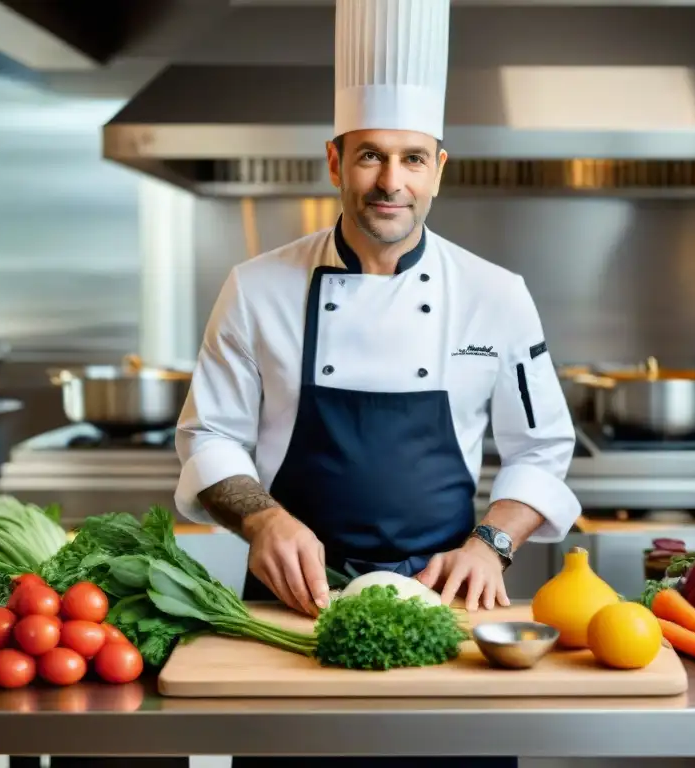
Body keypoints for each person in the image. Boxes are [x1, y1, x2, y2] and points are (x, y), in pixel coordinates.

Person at [174, 1, 581, 765]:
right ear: (335, 162)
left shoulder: (496, 293)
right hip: (293, 610)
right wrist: (262, 521)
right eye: (369, 157)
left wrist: (491, 545)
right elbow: (210, 436)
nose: (390, 182)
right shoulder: (257, 287)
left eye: (411, 158)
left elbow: (542, 447)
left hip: (448, 607)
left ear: (438, 169)